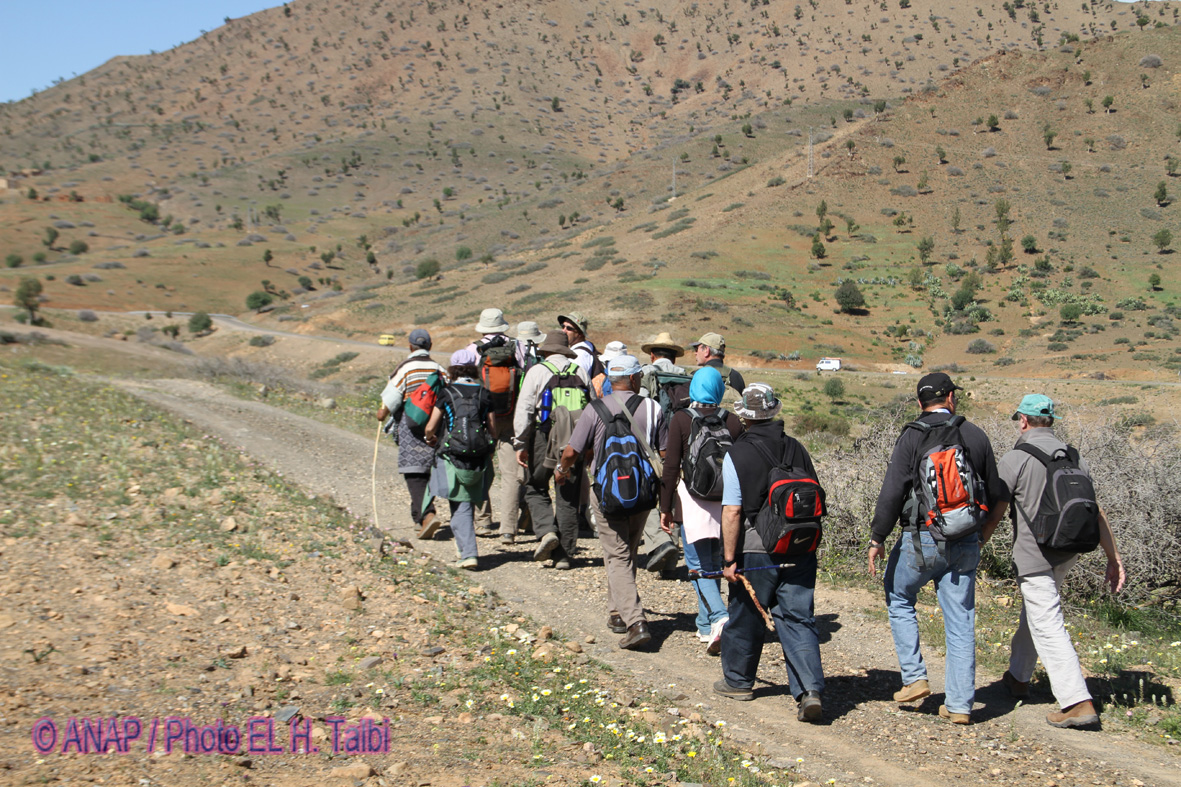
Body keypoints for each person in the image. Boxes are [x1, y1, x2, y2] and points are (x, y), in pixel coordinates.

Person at [867, 372, 1008, 725]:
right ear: (950, 398)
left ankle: (915, 678)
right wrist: (983, 533)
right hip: (965, 540)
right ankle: (960, 705)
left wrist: (877, 538)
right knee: (960, 619)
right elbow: (997, 492)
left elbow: (891, 491)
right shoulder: (974, 435)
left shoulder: (911, 437)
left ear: (919, 403)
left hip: (920, 538)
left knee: (899, 596)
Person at [985, 394, 1125, 729]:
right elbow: (1096, 510)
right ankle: (1018, 677)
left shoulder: (1016, 458)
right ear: (1051, 421)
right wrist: (1113, 556)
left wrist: (978, 541)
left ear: (1023, 420)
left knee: (1047, 622)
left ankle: (1077, 701)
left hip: (1034, 555)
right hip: (1069, 550)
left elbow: (997, 512)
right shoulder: (1074, 458)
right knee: (1036, 613)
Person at [714, 383, 825, 722]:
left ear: (743, 415)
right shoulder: (797, 448)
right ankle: (810, 691)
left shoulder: (737, 454)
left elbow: (732, 511)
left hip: (755, 551)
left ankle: (738, 682)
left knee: (746, 615)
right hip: (800, 546)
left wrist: (729, 560)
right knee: (798, 618)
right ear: (775, 410)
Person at [558, 354, 667, 650]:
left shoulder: (594, 410)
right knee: (626, 550)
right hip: (643, 494)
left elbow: (572, 451)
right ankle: (617, 612)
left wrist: (562, 470)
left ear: (610, 378)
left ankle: (635, 621)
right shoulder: (653, 408)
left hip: (606, 493)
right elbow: (666, 454)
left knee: (617, 554)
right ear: (634, 379)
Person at [659, 367, 742, 654]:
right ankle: (705, 625)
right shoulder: (731, 421)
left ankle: (720, 618)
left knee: (697, 566)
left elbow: (671, 468)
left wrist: (665, 507)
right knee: (714, 565)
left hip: (692, 503)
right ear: (719, 390)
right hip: (725, 504)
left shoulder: (681, 419)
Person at [513, 331, 591, 566]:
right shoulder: (580, 372)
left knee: (535, 486)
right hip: (574, 441)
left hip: (543, 437)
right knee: (568, 494)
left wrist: (520, 442)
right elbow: (592, 407)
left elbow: (525, 409)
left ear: (545, 350)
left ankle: (547, 531)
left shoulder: (538, 371)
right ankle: (564, 555)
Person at [423, 353, 496, 570]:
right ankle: (462, 545)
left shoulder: (446, 393)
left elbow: (430, 426)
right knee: (467, 499)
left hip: (453, 454)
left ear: (453, 369)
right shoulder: (484, 393)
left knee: (460, 502)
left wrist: (430, 438)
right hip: (479, 455)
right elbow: (493, 429)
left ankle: (468, 553)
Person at [376, 328, 448, 537]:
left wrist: (382, 413)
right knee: (429, 469)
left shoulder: (405, 369)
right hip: (435, 425)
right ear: (430, 346)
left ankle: (427, 515)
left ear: (410, 346)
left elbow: (393, 396)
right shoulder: (439, 369)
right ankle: (419, 517)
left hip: (410, 425)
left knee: (414, 472)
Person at [461, 308, 523, 539]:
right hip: (511, 415)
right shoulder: (518, 346)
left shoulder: (473, 349)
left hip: (483, 417)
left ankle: (484, 520)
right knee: (510, 473)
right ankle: (508, 528)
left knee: (481, 467)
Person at [639, 331, 691, 572]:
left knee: (649, 496)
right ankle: (672, 546)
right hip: (680, 444)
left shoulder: (646, 374)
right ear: (674, 358)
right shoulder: (685, 377)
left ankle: (660, 542)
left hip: (652, 446)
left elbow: (638, 409)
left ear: (652, 355)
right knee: (674, 496)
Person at [557, 311, 603, 384]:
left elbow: (573, 383)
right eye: (563, 326)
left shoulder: (578, 356)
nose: (563, 331)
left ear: (580, 333)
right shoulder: (588, 346)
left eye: (569, 328)